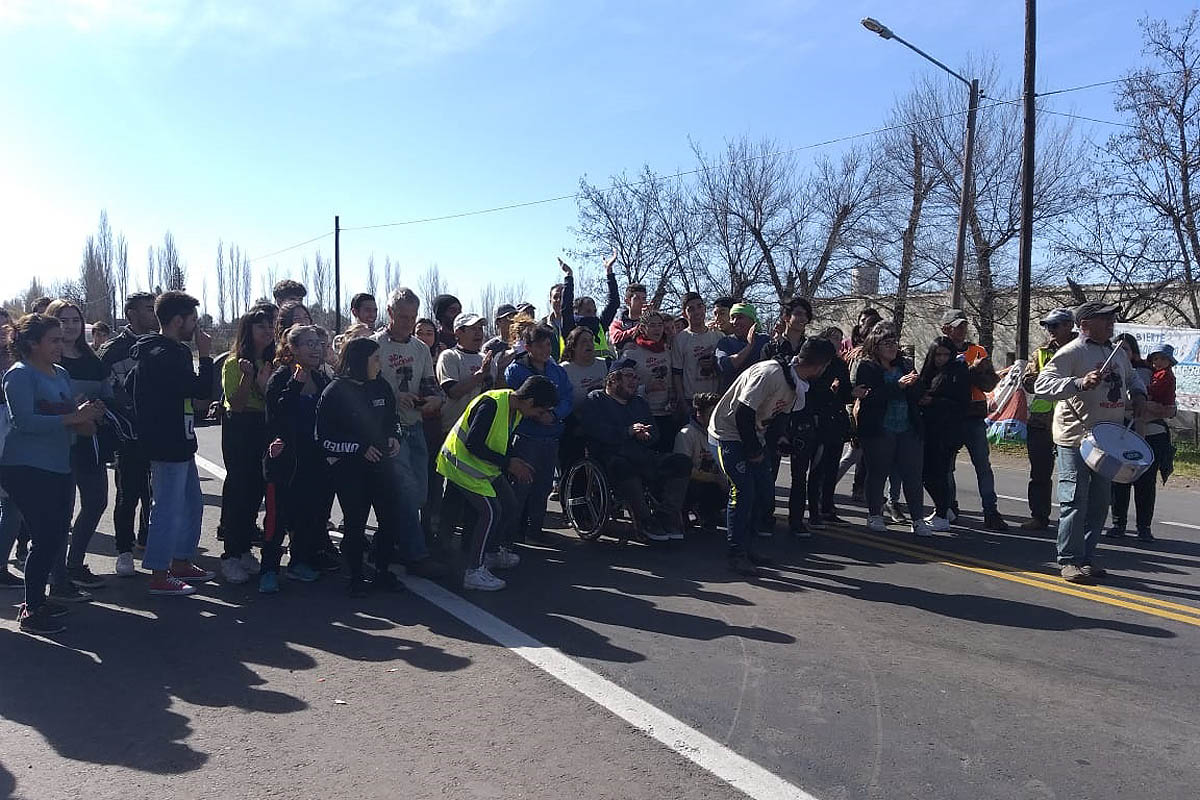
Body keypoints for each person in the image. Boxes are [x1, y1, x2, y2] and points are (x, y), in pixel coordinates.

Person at [2, 314, 107, 633]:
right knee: (45, 535)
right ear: (32, 344)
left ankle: (37, 599)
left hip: (59, 465)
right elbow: (25, 422)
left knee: (57, 532)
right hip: (25, 468)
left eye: (62, 340)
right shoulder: (19, 375)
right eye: (54, 340)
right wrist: (73, 417)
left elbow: (67, 418)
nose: (61, 346)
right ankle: (31, 610)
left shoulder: (60, 373)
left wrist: (88, 419)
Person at [1034, 301, 1147, 583]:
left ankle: (1086, 557)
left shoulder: (1117, 353)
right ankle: (1068, 560)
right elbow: (1042, 386)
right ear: (1085, 324)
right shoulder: (1071, 352)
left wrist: (1140, 395)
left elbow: (1133, 379)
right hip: (1076, 438)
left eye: (1112, 318)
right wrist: (1078, 382)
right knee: (1075, 499)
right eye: (1104, 318)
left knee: (1099, 502)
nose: (1111, 322)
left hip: (1108, 440)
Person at [709, 341, 835, 574]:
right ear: (820, 366)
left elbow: (780, 418)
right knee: (743, 491)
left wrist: (780, 440)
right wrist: (754, 451)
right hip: (727, 433)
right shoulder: (770, 373)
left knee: (764, 493)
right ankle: (736, 553)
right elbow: (743, 413)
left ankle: (748, 547)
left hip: (754, 434)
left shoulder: (796, 384)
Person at [129, 291, 216, 596]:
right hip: (166, 443)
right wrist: (205, 356)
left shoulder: (171, 351)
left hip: (182, 439)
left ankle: (180, 561)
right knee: (167, 507)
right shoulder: (162, 354)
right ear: (178, 320)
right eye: (193, 319)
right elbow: (202, 389)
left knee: (192, 502)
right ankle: (159, 571)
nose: (197, 327)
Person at [437, 376, 558, 591]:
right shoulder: (491, 404)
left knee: (509, 504)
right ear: (529, 402)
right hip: (461, 465)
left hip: (484, 466)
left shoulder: (515, 410)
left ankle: (490, 553)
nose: (540, 417)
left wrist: (514, 460)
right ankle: (474, 571)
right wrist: (508, 463)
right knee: (490, 512)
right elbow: (473, 443)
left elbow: (501, 440)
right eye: (540, 411)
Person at [315, 337, 408, 597]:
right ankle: (355, 576)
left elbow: (394, 421)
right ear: (360, 361)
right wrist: (358, 448)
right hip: (350, 471)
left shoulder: (381, 386)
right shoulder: (334, 392)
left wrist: (394, 438)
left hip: (383, 467)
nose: (380, 363)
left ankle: (382, 571)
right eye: (376, 359)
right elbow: (323, 439)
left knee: (390, 520)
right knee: (355, 524)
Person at [45, 300, 114, 600]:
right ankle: (57, 576)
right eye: (63, 320)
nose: (70, 326)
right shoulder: (47, 361)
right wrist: (73, 409)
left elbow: (108, 394)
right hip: (57, 445)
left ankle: (74, 564)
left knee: (97, 501)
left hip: (90, 441)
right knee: (60, 513)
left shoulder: (92, 359)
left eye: (75, 320)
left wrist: (99, 407)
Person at [579, 361, 691, 541]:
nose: (634, 381)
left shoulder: (638, 402)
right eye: (629, 376)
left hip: (641, 454)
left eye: (636, 377)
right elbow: (595, 430)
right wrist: (628, 431)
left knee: (681, 462)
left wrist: (646, 435)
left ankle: (666, 514)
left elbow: (655, 433)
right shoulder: (596, 400)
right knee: (623, 466)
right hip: (610, 457)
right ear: (613, 379)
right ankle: (644, 519)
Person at [260, 324, 334, 593]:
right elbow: (274, 415)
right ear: (292, 348)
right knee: (276, 519)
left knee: (308, 515)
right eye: (309, 343)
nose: (316, 348)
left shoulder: (323, 378)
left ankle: (299, 562)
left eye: (318, 343)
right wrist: (294, 386)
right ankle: (268, 569)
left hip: (313, 461)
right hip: (284, 463)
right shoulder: (281, 377)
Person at [372, 288, 445, 551]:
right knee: (404, 491)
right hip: (389, 430)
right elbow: (364, 388)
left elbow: (430, 385)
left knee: (419, 494)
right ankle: (414, 552)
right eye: (403, 317)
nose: (409, 323)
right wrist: (394, 397)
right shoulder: (375, 345)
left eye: (413, 317)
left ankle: (390, 540)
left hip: (415, 425)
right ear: (390, 313)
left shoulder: (420, 349)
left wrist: (436, 400)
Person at [98, 291, 158, 574]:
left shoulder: (161, 345)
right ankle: (124, 549)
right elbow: (108, 391)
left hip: (159, 435)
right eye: (149, 309)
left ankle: (150, 540)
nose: (154, 314)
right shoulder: (114, 349)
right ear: (132, 314)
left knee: (156, 493)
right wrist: (130, 412)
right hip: (128, 435)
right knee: (128, 493)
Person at [853, 322, 931, 536]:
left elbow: (920, 394)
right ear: (875, 345)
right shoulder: (867, 367)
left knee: (913, 475)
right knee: (878, 472)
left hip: (907, 426)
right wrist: (898, 386)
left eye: (894, 342)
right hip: (880, 428)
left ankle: (918, 519)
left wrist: (915, 384)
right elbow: (870, 398)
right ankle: (875, 515)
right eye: (886, 342)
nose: (892, 347)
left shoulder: (905, 365)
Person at [216, 308, 274, 584]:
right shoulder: (233, 363)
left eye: (270, 326)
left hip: (265, 427)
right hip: (240, 428)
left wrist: (264, 383)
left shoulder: (273, 361)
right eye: (260, 326)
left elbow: (274, 399)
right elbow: (236, 404)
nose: (266, 331)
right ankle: (230, 554)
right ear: (248, 331)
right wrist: (248, 377)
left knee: (257, 489)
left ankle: (244, 549)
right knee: (239, 489)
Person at [504, 325, 573, 543]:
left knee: (542, 486)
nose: (545, 350)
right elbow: (515, 400)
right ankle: (511, 533)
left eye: (548, 345)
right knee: (521, 486)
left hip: (550, 436)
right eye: (540, 345)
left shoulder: (557, 370)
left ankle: (535, 530)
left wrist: (554, 415)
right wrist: (536, 415)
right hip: (526, 436)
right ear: (528, 347)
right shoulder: (516, 370)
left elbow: (567, 398)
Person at [940, 309, 1006, 531]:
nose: (962, 330)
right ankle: (949, 507)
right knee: (947, 466)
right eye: (957, 326)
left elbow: (989, 384)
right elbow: (942, 381)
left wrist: (978, 371)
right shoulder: (940, 351)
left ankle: (991, 510)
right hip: (949, 416)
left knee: (983, 465)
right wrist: (968, 370)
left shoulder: (978, 351)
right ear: (945, 328)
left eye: (964, 326)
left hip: (974, 415)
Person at [1106, 336, 1176, 543]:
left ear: (1134, 353)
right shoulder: (1107, 371)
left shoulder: (1145, 373)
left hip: (1151, 435)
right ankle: (1118, 525)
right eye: (1116, 348)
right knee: (1119, 481)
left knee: (1145, 483)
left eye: (1125, 349)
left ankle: (1143, 528)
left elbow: (1164, 405)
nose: (1120, 352)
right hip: (1120, 433)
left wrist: (1164, 410)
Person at [1022, 309, 1077, 531]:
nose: (1050, 331)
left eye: (1055, 326)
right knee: (1040, 473)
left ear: (1068, 326)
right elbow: (1028, 381)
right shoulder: (1041, 353)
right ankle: (1039, 516)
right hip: (1042, 421)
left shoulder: (1080, 350)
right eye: (1048, 326)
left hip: (1073, 421)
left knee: (1073, 475)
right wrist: (1050, 382)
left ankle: (1073, 519)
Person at [917, 336, 971, 531]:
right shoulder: (930, 371)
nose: (942, 358)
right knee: (928, 473)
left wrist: (934, 402)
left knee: (937, 473)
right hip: (930, 429)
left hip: (947, 430)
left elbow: (962, 404)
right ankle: (944, 509)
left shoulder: (957, 371)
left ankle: (942, 513)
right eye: (938, 354)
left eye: (946, 354)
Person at [808, 327, 852, 524]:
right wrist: (829, 389)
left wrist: (853, 392)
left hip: (835, 419)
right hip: (818, 419)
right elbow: (810, 389)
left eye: (840, 338)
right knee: (817, 467)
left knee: (832, 467)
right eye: (833, 337)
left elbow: (845, 393)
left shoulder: (840, 364)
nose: (837, 341)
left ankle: (827, 506)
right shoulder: (816, 362)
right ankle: (814, 510)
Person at [622, 310, 676, 450]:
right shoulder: (632, 353)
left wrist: (673, 396)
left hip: (667, 412)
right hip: (644, 415)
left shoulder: (667, 349)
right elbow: (621, 387)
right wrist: (646, 388)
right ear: (642, 328)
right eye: (652, 325)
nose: (657, 329)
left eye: (660, 325)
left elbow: (672, 379)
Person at [673, 392, 727, 532]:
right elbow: (682, 470)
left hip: (714, 478)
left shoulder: (720, 432)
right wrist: (715, 478)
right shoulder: (686, 434)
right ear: (699, 414)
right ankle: (690, 510)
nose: (715, 418)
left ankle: (710, 511)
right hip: (692, 481)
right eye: (711, 414)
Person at [559, 326, 609, 471]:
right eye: (584, 342)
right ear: (573, 346)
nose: (589, 345)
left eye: (591, 341)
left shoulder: (604, 364)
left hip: (602, 425)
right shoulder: (564, 369)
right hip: (574, 425)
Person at [559, 250, 620, 360]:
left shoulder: (600, 325)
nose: (592, 315)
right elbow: (566, 308)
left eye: (594, 311)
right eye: (588, 311)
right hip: (577, 374)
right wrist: (569, 276)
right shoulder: (572, 328)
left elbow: (614, 303)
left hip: (601, 372)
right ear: (576, 312)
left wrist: (609, 272)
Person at [671, 292, 721, 407]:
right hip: (692, 399)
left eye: (699, 306)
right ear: (684, 314)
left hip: (715, 397)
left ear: (705, 308)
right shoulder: (680, 339)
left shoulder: (718, 336)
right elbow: (677, 373)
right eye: (691, 309)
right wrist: (681, 399)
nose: (697, 312)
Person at [716, 303, 771, 393]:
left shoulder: (764, 340)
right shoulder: (725, 342)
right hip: (732, 397)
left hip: (759, 396)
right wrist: (749, 346)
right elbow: (725, 367)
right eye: (733, 318)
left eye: (740, 317)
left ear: (752, 321)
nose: (735, 322)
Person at [608, 280, 648, 354]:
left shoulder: (650, 321)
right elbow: (616, 338)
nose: (642, 302)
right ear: (627, 301)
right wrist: (639, 328)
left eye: (644, 299)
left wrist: (649, 320)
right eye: (637, 298)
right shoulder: (618, 323)